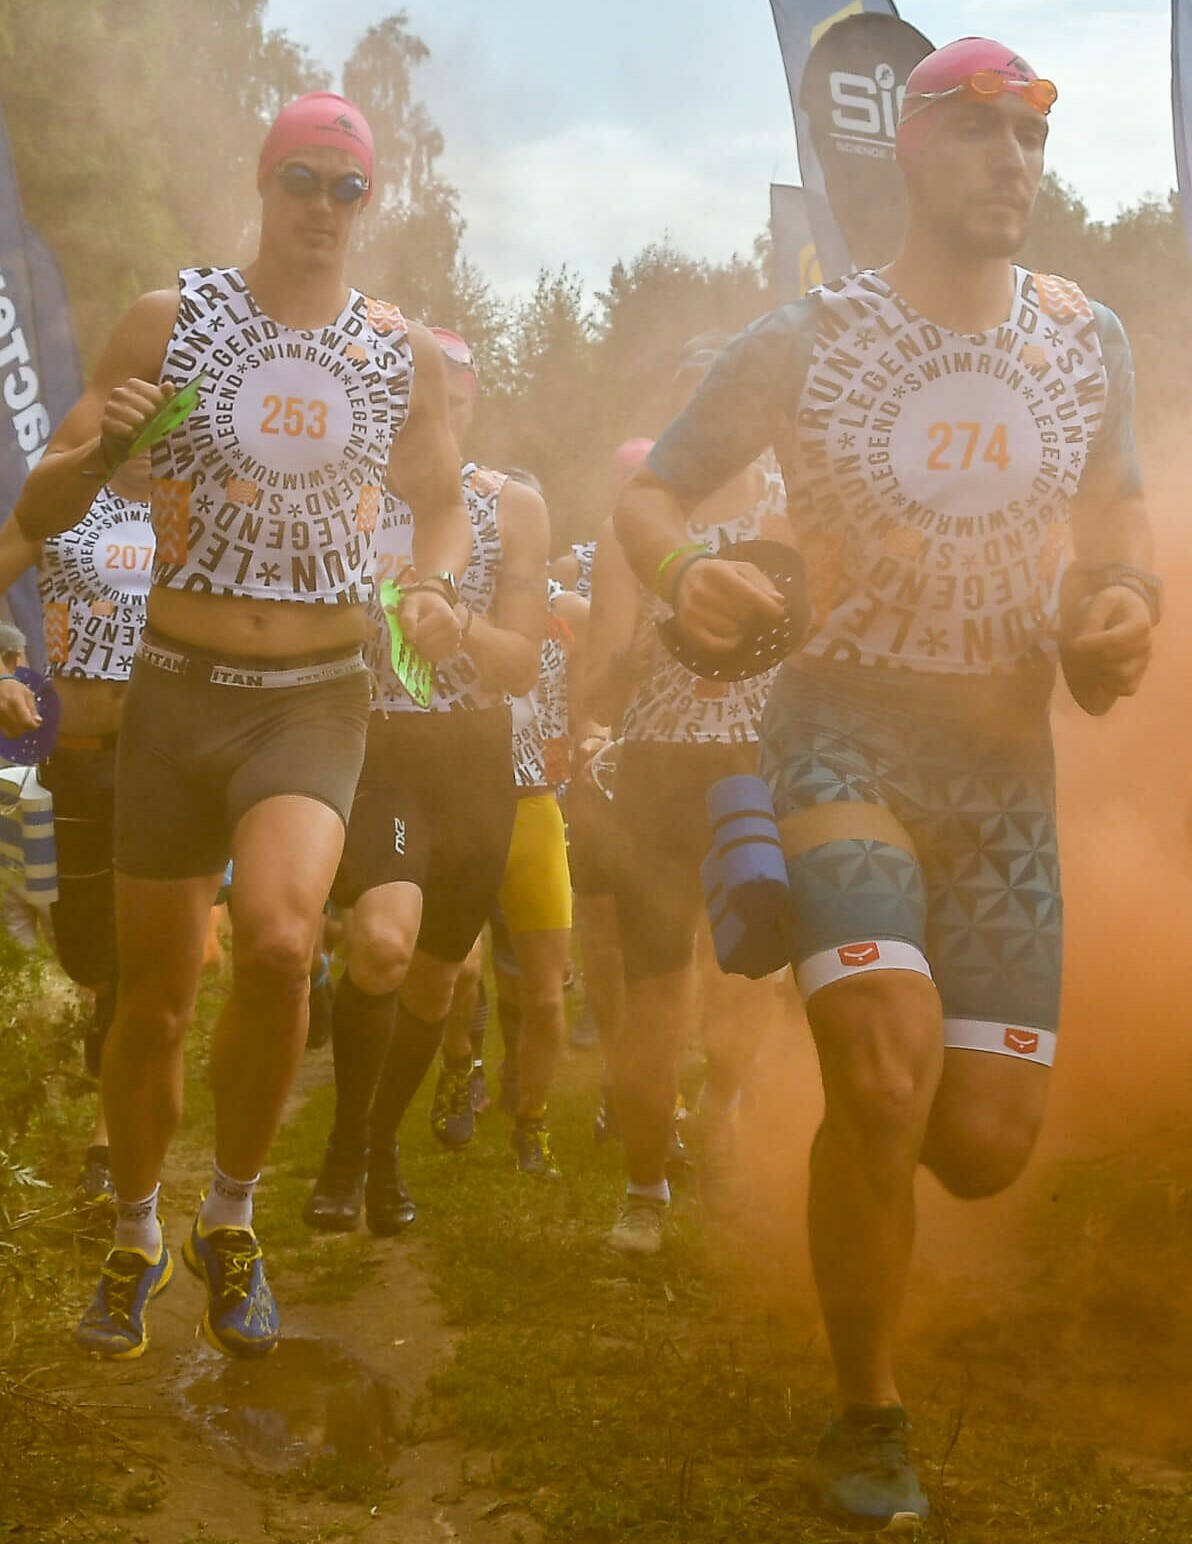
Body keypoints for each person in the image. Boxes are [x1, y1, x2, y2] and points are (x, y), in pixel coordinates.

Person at [612, 38, 1154, 1524]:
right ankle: (871, 1418)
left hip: (1003, 766)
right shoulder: (812, 335)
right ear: (912, 154)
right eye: (979, 134)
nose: (1012, 164)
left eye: (1030, 142)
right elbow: (651, 485)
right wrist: (683, 576)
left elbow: (1116, 540)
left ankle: (768, 890)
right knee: (883, 1063)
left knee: (975, 1145)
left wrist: (1123, 617)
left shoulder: (1083, 337)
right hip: (841, 728)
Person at [13, 92, 472, 1361]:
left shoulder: (395, 355)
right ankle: (135, 1227)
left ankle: (232, 1216)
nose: (323, 210)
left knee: (276, 943)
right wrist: (94, 448)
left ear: (367, 206)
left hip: (316, 698)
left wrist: (425, 584)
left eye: (349, 190)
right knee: (154, 1003)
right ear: (264, 187)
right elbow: (47, 502)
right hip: (177, 686)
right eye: (303, 182)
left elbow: (436, 508)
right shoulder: (178, 322)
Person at [303, 328, 548, 1231]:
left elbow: (522, 665)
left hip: (475, 756)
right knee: (381, 944)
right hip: (376, 747)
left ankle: (379, 1146)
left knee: (439, 982)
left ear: (469, 403)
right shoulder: (337, 488)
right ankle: (343, 1153)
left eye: (449, 395)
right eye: (414, 395)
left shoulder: (510, 505)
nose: (430, 412)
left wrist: (461, 628)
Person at [586, 351, 791, 1259]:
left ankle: (721, 1102)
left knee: (753, 974)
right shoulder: (631, 523)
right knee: (654, 988)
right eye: (698, 401)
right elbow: (600, 673)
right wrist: (633, 645)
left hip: (761, 763)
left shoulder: (795, 511)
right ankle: (642, 1188)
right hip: (661, 769)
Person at [0, 452, 156, 1202]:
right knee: (88, 955)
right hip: (77, 752)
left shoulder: (203, 507)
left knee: (135, 956)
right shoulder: (67, 493)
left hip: (164, 758)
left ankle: (108, 1144)